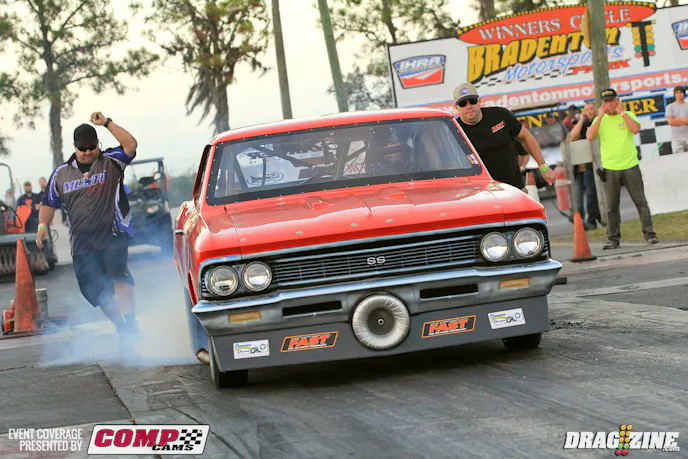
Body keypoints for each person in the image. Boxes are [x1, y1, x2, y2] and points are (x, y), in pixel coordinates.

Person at [36, 112, 141, 349]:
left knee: (118, 274)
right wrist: (43, 226)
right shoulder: (61, 174)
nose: (87, 152)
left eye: (91, 147)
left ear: (98, 144)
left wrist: (107, 123)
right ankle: (122, 328)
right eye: (82, 148)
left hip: (113, 233)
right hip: (82, 243)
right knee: (94, 291)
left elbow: (131, 145)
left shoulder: (112, 161)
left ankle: (132, 323)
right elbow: (49, 203)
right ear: (75, 147)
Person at [586, 88, 658, 249]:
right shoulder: (600, 119)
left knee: (641, 202)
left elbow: (636, 129)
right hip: (610, 168)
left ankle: (650, 234)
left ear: (617, 100)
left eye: (612, 100)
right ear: (602, 104)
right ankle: (613, 238)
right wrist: (599, 116)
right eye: (606, 102)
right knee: (611, 207)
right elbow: (590, 136)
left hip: (630, 165)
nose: (610, 104)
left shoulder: (628, 115)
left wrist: (622, 112)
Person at [453, 82, 555, 191]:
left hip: (515, 189)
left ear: (479, 101)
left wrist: (543, 167)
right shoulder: (454, 131)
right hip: (482, 194)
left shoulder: (500, 115)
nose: (468, 106)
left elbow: (526, 137)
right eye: (463, 104)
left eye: (472, 101)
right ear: (455, 108)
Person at [568, 101, 601, 228]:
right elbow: (573, 135)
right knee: (590, 193)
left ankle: (601, 216)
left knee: (603, 192)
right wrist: (581, 119)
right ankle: (592, 219)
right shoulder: (584, 123)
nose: (590, 112)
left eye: (591, 109)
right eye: (587, 110)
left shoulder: (600, 120)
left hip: (603, 160)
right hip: (588, 163)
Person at [666, 85, 688, 154]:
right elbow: (671, 122)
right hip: (676, 139)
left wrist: (677, 119)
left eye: (681, 92)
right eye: (677, 93)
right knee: (679, 159)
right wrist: (685, 121)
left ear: (684, 94)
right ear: (674, 95)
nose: (679, 94)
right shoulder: (670, 107)